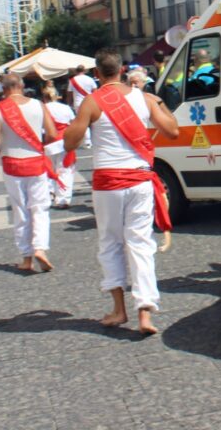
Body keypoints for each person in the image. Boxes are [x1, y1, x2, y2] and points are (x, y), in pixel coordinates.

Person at [63, 47, 179, 334]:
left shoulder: (92, 101)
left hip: (108, 184)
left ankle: (118, 310)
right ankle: (145, 313)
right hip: (139, 180)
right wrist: (157, 101)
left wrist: (78, 120)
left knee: (111, 243)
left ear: (97, 74)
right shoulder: (144, 98)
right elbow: (173, 130)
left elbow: (70, 143)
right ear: (122, 71)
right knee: (140, 243)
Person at [0, 74, 59, 273]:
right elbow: (52, 134)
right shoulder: (38, 105)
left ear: (3, 89)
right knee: (40, 208)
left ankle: (26, 258)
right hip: (35, 163)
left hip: (12, 164)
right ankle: (40, 249)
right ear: (22, 86)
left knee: (20, 210)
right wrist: (38, 146)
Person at [42, 85, 75, 210]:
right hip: (64, 141)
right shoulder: (65, 108)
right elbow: (73, 124)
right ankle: (63, 198)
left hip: (48, 141)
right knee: (64, 170)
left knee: (48, 170)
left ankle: (49, 193)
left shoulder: (42, 109)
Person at [69, 66, 97, 148]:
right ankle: (93, 139)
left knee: (83, 122)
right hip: (90, 102)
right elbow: (95, 91)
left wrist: (69, 103)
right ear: (84, 71)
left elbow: (69, 93)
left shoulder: (72, 80)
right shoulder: (90, 79)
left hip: (78, 103)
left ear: (76, 71)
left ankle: (87, 141)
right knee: (92, 121)